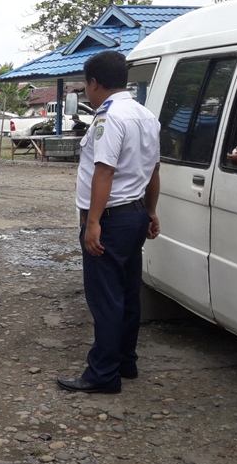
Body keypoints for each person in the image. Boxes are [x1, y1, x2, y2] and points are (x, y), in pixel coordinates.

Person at [58, 51, 161, 394]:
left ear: (94, 83)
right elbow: (154, 170)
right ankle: (125, 361)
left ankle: (103, 373)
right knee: (129, 292)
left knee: (106, 297)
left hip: (111, 218)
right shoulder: (145, 115)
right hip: (135, 213)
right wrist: (151, 210)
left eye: (86, 84)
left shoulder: (110, 118)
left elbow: (104, 171)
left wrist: (92, 223)